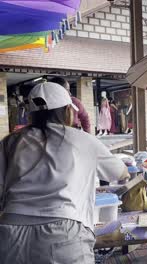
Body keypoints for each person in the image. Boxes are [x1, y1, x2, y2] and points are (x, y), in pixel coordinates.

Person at [0, 82, 128, 263]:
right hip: (61, 232)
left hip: (10, 231)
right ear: (67, 110)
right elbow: (119, 172)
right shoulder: (82, 140)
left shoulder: (9, 142)